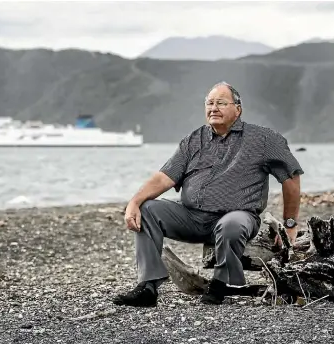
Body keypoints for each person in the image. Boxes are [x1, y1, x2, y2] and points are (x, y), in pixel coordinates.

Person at [112, 81, 304, 307]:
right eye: (210, 103)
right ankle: (147, 287)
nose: (214, 108)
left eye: (221, 103)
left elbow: (290, 177)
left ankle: (220, 285)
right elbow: (165, 177)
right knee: (147, 209)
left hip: (238, 216)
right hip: (192, 217)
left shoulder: (263, 139)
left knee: (232, 223)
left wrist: (289, 223)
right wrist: (134, 201)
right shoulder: (193, 140)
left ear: (238, 109)